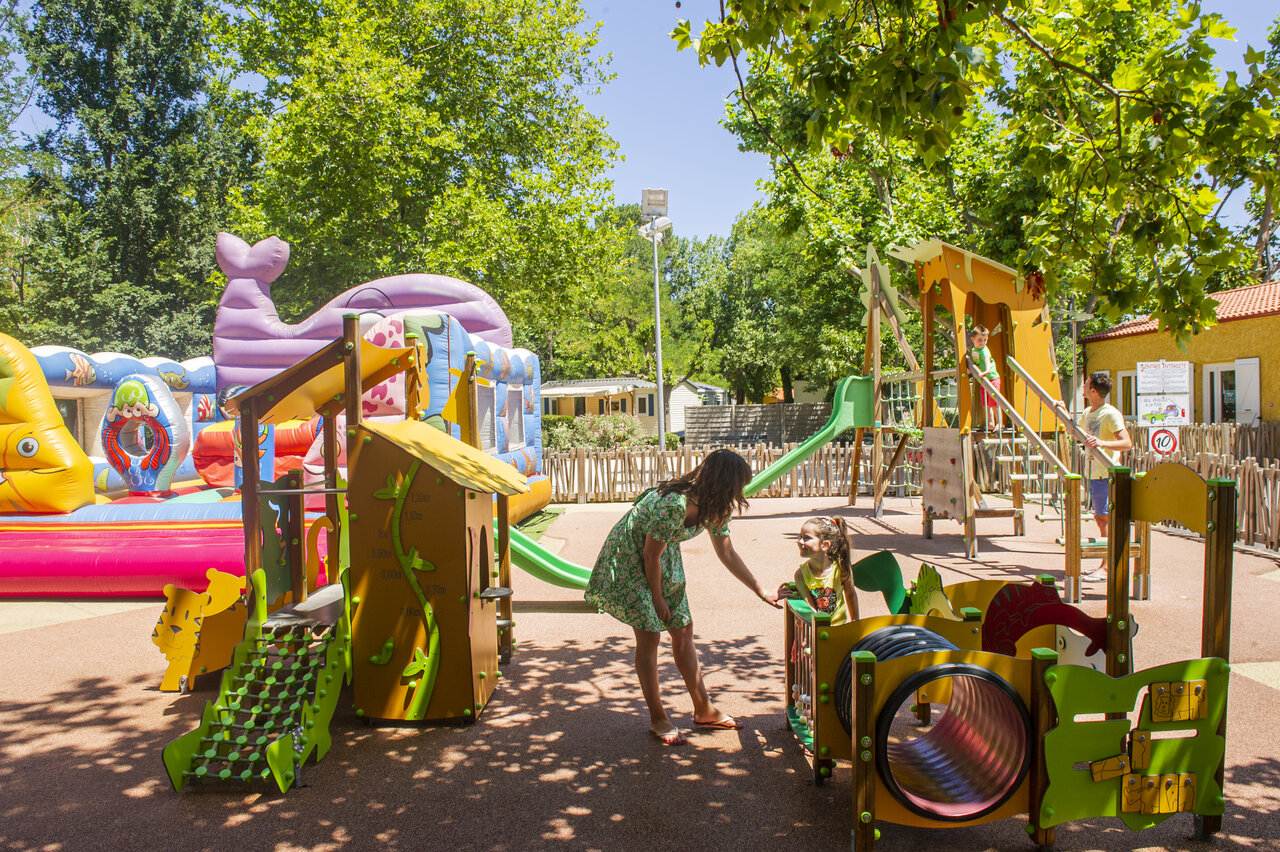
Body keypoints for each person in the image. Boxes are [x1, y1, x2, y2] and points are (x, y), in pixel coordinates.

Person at [584, 448, 782, 745]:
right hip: (631, 557)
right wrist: (657, 598)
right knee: (650, 635)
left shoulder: (716, 507)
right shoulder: (674, 504)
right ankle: (658, 718)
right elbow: (649, 556)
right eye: (737, 485)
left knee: (683, 629)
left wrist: (760, 590)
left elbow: (727, 553)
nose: (739, 492)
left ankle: (704, 710)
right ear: (724, 482)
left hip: (662, 557)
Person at [1079, 371, 1132, 578]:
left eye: (1086, 384)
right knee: (1100, 518)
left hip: (1106, 474)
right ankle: (1105, 564)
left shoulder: (1110, 414)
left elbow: (1126, 443)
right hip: (1094, 473)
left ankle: (1108, 567)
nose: (1083, 386)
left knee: (1104, 519)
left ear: (1093, 390)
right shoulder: (1088, 412)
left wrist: (1103, 443)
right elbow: (1076, 432)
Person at [783, 516, 859, 625]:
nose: (800, 541)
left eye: (806, 538)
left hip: (839, 627)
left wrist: (855, 622)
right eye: (800, 537)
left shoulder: (841, 569)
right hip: (817, 628)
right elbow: (810, 606)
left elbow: (850, 595)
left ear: (825, 545)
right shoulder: (801, 575)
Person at [970, 325, 1002, 429]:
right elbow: (977, 362)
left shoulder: (984, 351)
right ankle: (991, 423)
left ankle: (1000, 423)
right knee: (986, 403)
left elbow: (987, 362)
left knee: (994, 402)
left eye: (985, 340)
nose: (982, 342)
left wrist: (986, 371)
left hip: (992, 378)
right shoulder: (974, 350)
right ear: (973, 339)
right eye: (980, 340)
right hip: (984, 380)